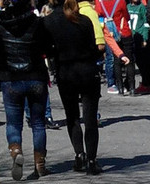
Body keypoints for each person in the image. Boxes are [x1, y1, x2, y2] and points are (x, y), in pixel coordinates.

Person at [0, 0, 51, 179]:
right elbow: (45, 47)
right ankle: (40, 164)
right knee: (38, 123)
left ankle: (16, 151)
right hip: (35, 76)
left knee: (13, 123)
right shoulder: (36, 21)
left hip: (10, 78)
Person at [43, 0, 104, 173]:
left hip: (66, 72)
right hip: (87, 71)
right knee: (90, 117)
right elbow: (95, 48)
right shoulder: (84, 20)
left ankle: (79, 155)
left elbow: (48, 50)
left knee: (72, 117)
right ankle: (92, 160)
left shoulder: (49, 22)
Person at [96, 0, 134, 93]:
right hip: (123, 30)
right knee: (128, 59)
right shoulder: (120, 1)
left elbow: (98, 14)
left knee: (114, 60)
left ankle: (117, 85)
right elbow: (126, 15)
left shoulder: (99, 1)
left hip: (108, 31)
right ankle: (131, 87)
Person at [126, 0, 150, 93]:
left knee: (141, 61)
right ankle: (128, 83)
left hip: (139, 37)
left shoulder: (141, 7)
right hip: (129, 36)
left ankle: (146, 82)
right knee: (129, 61)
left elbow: (146, 23)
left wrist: (145, 38)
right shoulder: (127, 7)